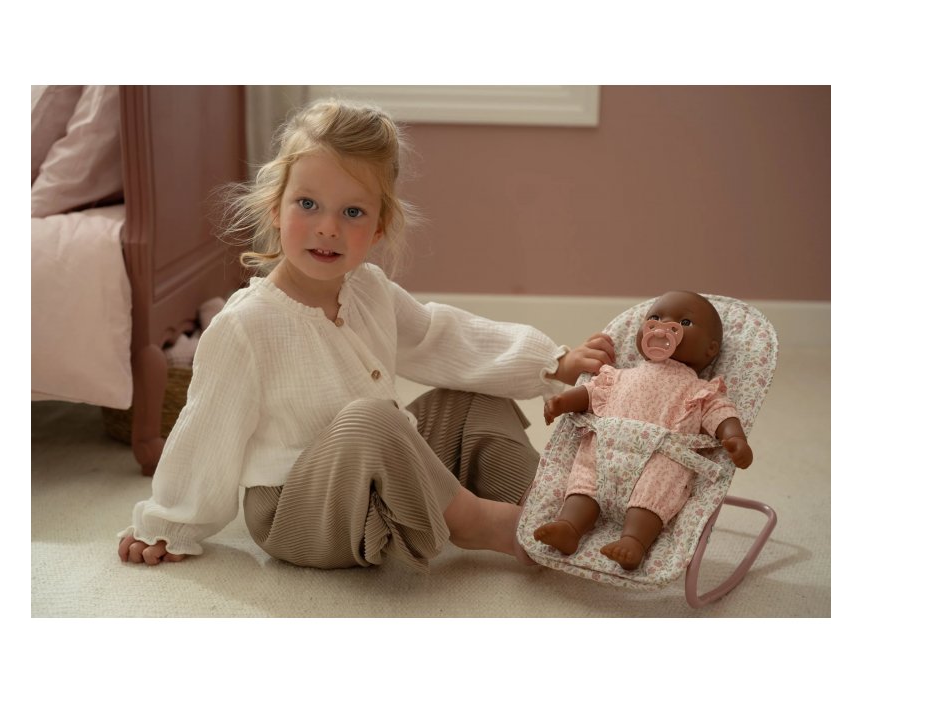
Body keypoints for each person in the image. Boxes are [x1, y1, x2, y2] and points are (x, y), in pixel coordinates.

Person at [118, 99, 614, 571]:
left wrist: (551, 363)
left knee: (470, 399)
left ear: (379, 226)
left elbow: (445, 338)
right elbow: (207, 429)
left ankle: (554, 512)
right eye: (307, 204)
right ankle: (480, 523)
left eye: (352, 212)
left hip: (381, 482)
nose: (327, 228)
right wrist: (166, 525)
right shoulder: (246, 325)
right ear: (275, 208)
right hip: (298, 513)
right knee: (373, 418)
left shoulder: (370, 290)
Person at [532, 290, 753, 570]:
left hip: (658, 460)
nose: (663, 327)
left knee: (653, 495)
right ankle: (569, 527)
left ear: (710, 350)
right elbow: (591, 393)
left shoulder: (700, 390)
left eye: (683, 323)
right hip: (605, 451)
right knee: (584, 483)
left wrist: (734, 437)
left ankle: (634, 542)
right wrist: (563, 401)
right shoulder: (619, 375)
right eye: (655, 318)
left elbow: (720, 412)